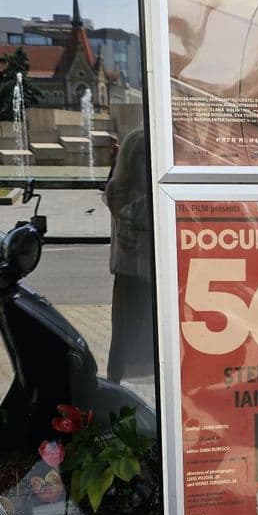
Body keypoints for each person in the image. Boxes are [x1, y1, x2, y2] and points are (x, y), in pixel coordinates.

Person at [104, 128, 154, 382]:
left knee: (125, 340)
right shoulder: (138, 200)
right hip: (140, 278)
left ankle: (118, 385)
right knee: (136, 342)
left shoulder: (120, 189)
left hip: (128, 277)